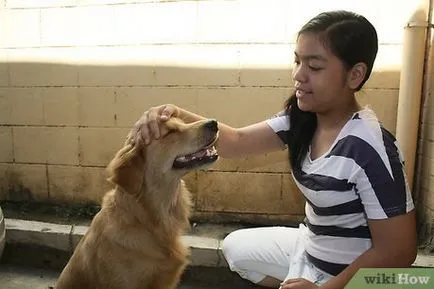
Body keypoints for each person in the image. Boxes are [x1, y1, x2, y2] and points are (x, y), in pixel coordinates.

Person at [137, 10, 417, 289]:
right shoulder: (302, 118)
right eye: (297, 61)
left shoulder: (370, 149)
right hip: (311, 250)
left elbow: (399, 252)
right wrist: (169, 112)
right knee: (236, 249)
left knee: (410, 282)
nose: (298, 75)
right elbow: (236, 141)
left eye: (315, 67)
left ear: (355, 75)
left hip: (354, 276)